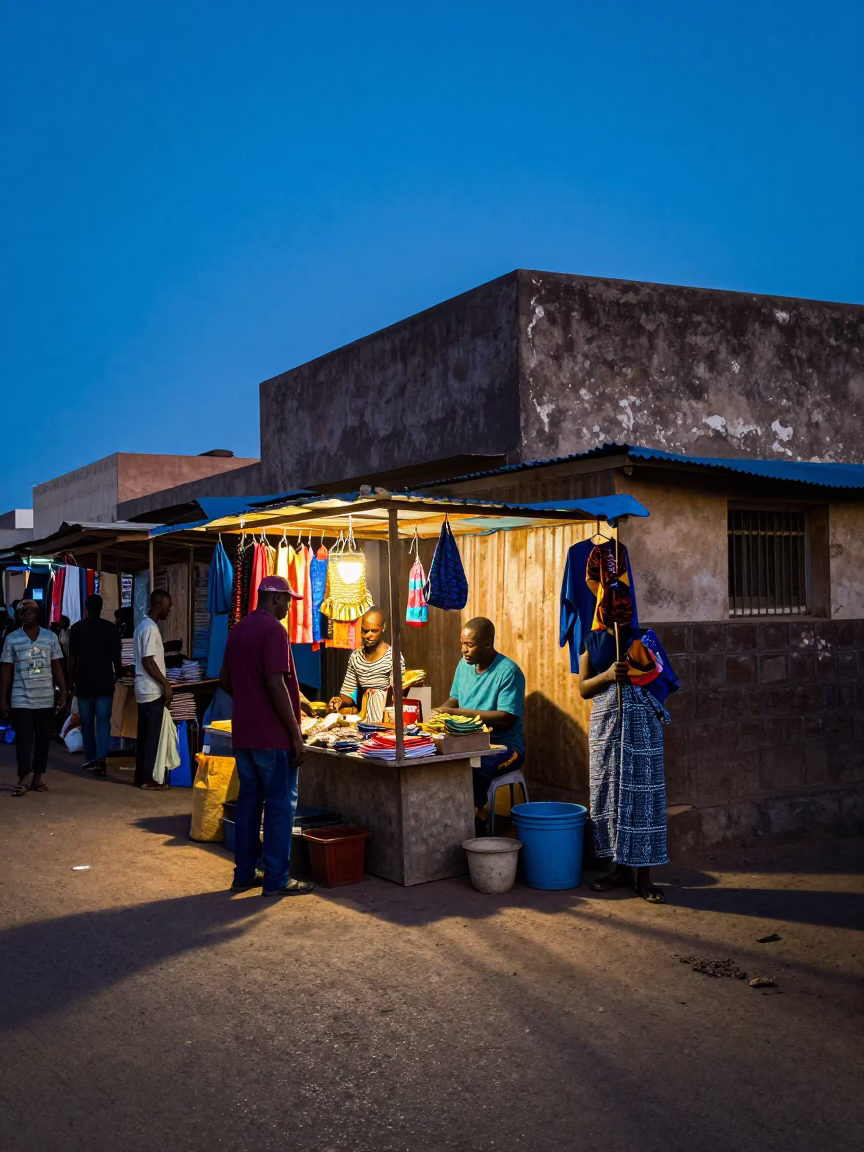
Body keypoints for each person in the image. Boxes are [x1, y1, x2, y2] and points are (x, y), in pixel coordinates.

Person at [219, 575, 312, 898]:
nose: (289, 607)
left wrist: (249, 700)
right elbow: (275, 683)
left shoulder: (239, 630)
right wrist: (296, 736)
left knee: (249, 803)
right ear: (275, 599)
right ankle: (276, 879)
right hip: (272, 737)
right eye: (287, 601)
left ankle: (244, 874)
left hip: (244, 733)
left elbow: (225, 681)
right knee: (279, 806)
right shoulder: (274, 630)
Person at [577, 622, 678, 904]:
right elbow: (584, 688)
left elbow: (663, 681)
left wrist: (636, 671)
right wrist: (608, 675)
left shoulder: (644, 638)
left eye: (621, 598)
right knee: (610, 794)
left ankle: (644, 875)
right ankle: (619, 869)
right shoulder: (590, 639)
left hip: (642, 728)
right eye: (607, 601)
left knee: (643, 796)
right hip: (606, 728)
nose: (614, 605)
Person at [436, 617, 525, 815]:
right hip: (469, 742)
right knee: (439, 761)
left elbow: (505, 718)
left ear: (487, 643)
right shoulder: (464, 665)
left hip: (504, 747)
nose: (464, 650)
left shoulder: (509, 672)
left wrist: (454, 713)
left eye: (469, 645)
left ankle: (476, 815)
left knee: (476, 768)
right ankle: (458, 816)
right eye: (462, 644)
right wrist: (437, 716)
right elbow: (454, 699)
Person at [0, 599, 67, 796]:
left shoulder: (50, 637)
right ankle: (23, 778)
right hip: (20, 698)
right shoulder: (12, 639)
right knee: (23, 740)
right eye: (23, 612)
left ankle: (37, 777)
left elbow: (56, 665)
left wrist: (63, 691)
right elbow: (6, 670)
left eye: (30, 611)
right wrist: (2, 698)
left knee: (43, 739)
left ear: (38, 614)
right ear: (19, 615)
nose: (27, 615)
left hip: (45, 698)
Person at [68, 593, 123, 776]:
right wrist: (120, 673)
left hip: (83, 682)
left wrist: (70, 682)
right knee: (102, 722)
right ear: (101, 608)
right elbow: (117, 657)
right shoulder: (110, 628)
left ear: (86, 608)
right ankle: (101, 758)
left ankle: (91, 758)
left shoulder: (76, 629)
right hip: (105, 682)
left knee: (87, 722)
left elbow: (72, 659)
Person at [328, 607, 406, 720]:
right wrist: (340, 701)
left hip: (387, 717)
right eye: (365, 630)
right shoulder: (356, 657)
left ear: (382, 628)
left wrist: (377, 697)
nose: (368, 635)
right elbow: (348, 693)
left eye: (374, 631)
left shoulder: (393, 657)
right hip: (364, 716)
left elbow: (395, 695)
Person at [133, 589, 173, 790]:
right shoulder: (149, 628)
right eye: (168, 606)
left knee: (144, 735)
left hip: (143, 689)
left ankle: (140, 776)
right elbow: (148, 661)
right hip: (150, 690)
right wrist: (165, 684)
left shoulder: (142, 626)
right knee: (151, 737)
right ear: (158, 605)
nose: (169, 610)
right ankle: (147, 779)